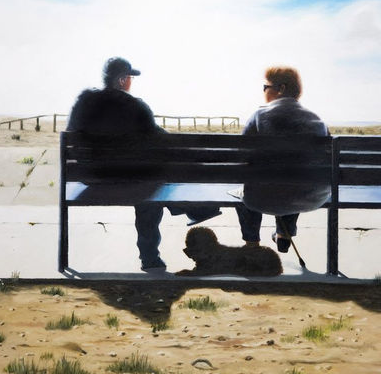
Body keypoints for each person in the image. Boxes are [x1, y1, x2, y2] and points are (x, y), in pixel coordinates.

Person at [66, 57, 220, 272]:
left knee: (149, 176)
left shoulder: (84, 101)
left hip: (91, 177)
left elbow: (72, 137)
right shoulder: (135, 106)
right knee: (151, 184)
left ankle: (195, 211)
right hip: (129, 179)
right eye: (129, 77)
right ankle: (151, 255)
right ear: (121, 80)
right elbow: (160, 142)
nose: (130, 82)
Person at [235, 66, 330, 254]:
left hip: (261, 198)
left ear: (281, 88)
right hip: (309, 197)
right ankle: (284, 236)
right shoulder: (317, 120)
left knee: (245, 191)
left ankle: (252, 242)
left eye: (265, 87)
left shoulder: (259, 116)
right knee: (296, 180)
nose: (263, 91)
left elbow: (242, 156)